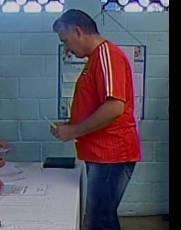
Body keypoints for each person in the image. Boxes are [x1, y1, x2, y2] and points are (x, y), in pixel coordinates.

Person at [51, 9, 141, 230]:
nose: (67, 49)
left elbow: (114, 107)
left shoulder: (106, 55)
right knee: (101, 218)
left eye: (66, 41)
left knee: (99, 220)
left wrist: (72, 131)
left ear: (78, 31)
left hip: (111, 154)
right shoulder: (96, 58)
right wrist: (71, 126)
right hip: (102, 154)